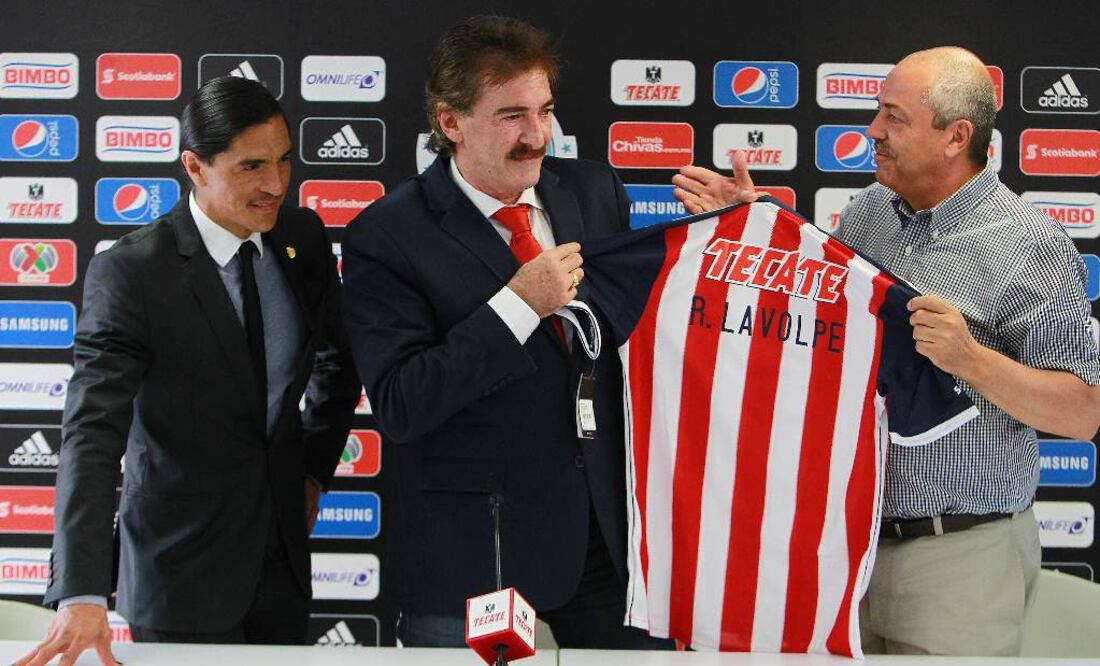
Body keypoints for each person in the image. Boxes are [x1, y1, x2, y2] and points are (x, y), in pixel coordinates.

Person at [672, 46, 1100, 656]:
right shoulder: (871, 211)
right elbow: (820, 320)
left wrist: (971, 359)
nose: (872, 131)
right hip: (845, 547)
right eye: (878, 113)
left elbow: (1082, 411)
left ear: (956, 136)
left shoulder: (1028, 244)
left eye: (893, 118)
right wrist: (752, 226)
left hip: (959, 558)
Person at [341, 15, 671, 649]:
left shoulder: (596, 191)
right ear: (450, 122)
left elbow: (644, 332)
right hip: (474, 551)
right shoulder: (386, 236)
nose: (538, 136)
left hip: (607, 543)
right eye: (512, 116)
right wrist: (517, 307)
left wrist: (742, 225)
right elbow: (404, 403)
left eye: (545, 111)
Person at [18, 76, 360, 666]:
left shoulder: (300, 237)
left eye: (284, 160)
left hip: (281, 565)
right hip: (180, 574)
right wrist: (79, 589)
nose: (276, 185)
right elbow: (91, 435)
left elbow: (337, 360)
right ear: (195, 167)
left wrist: (312, 470)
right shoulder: (133, 274)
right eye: (252, 166)